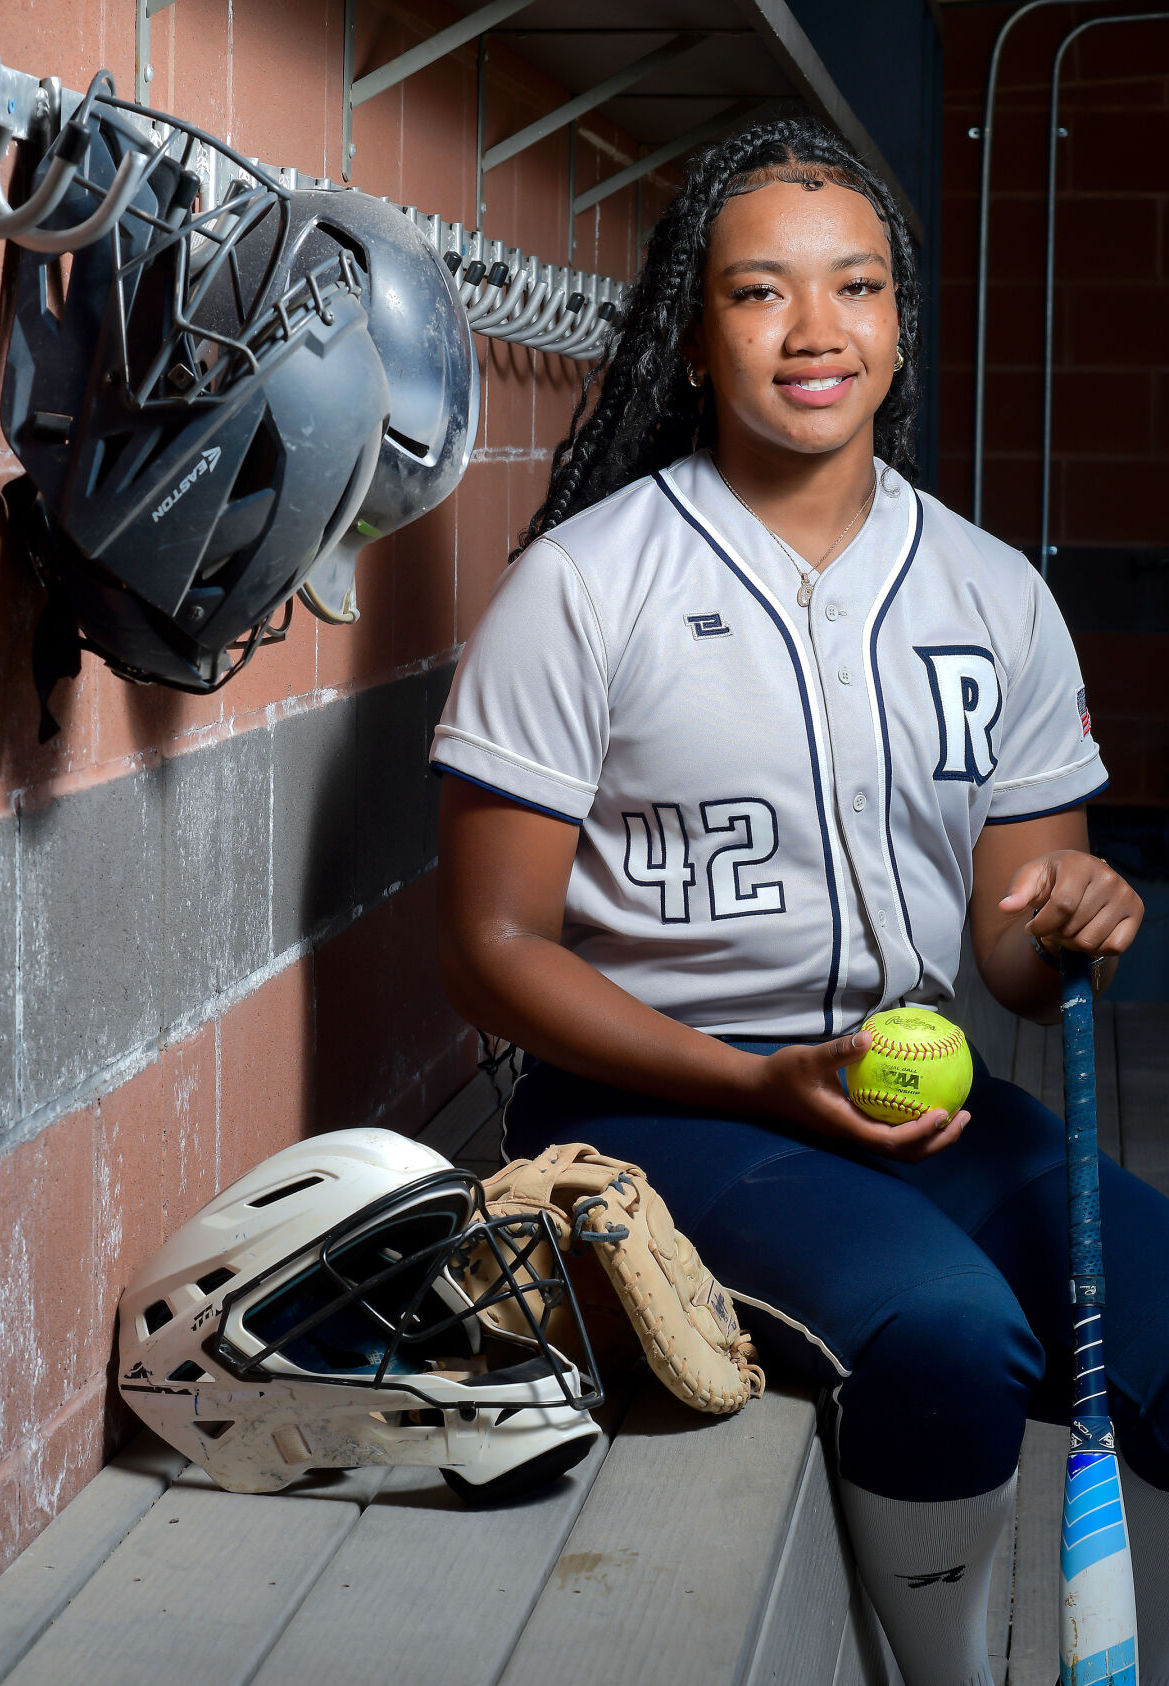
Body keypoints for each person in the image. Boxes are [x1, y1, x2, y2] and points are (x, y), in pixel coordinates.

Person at [430, 118, 1169, 1686]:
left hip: (913, 1092)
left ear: (900, 321)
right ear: (694, 336)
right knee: (944, 1330)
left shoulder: (992, 592)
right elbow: (491, 953)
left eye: (858, 286)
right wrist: (752, 1082)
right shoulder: (584, 583)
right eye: (760, 291)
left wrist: (1072, 914)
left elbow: (1011, 956)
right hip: (652, 1106)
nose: (816, 330)